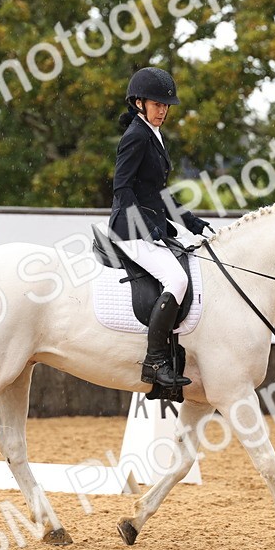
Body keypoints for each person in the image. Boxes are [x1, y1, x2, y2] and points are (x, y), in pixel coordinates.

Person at [108, 67, 214, 389]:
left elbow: (158, 194)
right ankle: (154, 361)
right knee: (177, 278)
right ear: (139, 103)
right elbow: (122, 188)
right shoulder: (136, 136)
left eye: (166, 105)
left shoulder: (153, 135)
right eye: (157, 104)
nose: (163, 110)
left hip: (148, 224)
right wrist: (148, 226)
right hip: (129, 228)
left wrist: (192, 223)